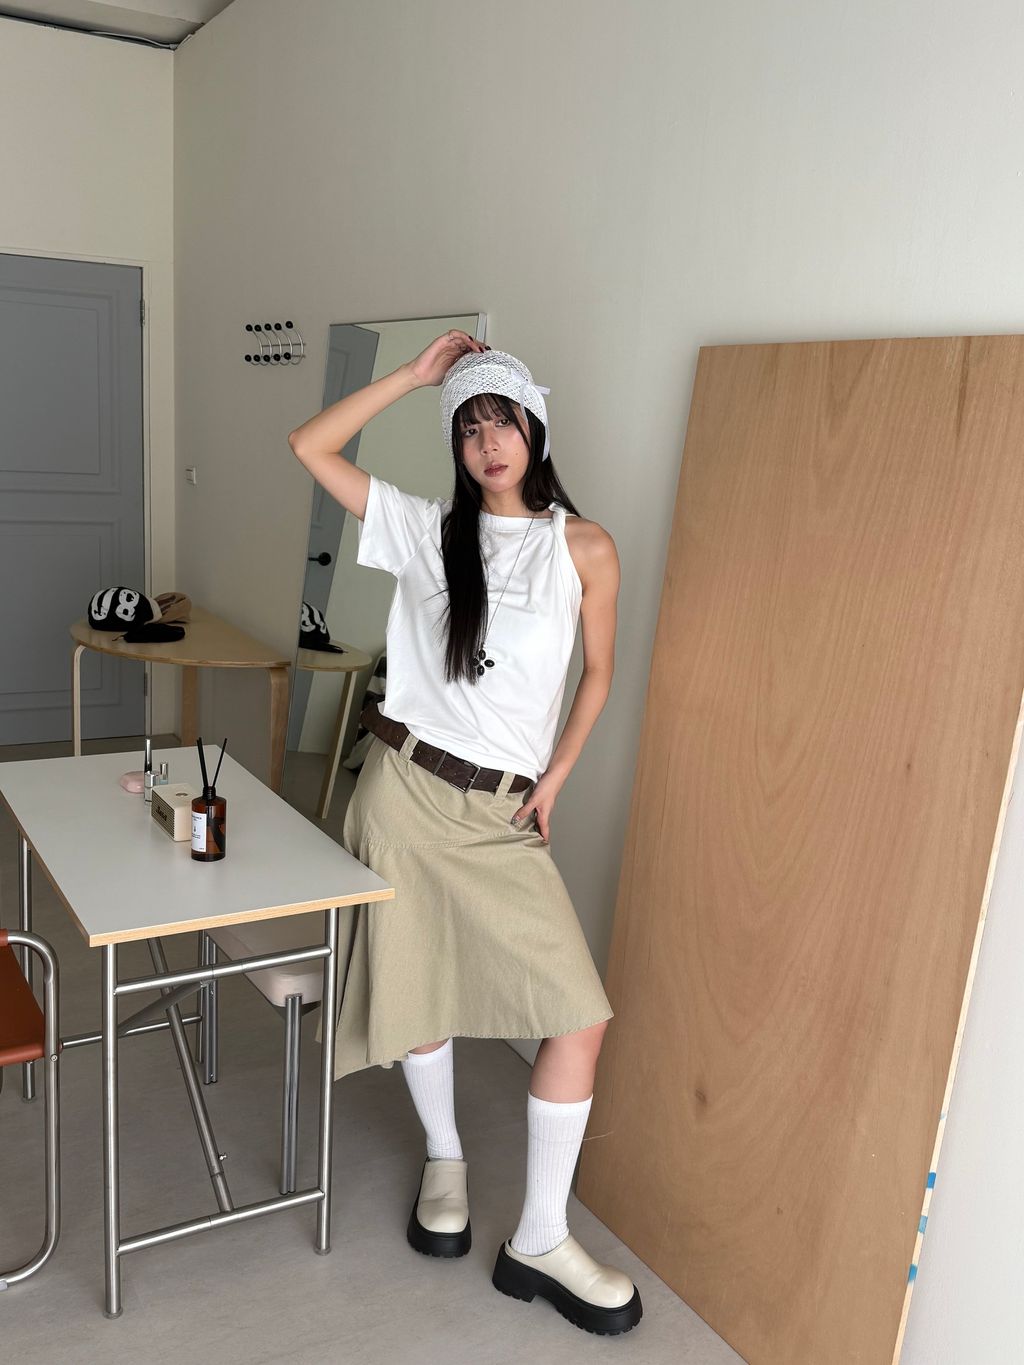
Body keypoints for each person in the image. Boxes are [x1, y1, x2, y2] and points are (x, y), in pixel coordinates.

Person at [288, 329, 642, 1336]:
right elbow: (310, 448)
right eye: (469, 427)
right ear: (455, 443)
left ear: (536, 430)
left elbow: (599, 673)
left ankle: (540, 1237)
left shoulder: (584, 547)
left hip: (501, 812)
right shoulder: (421, 529)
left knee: (577, 1014)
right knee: (418, 984)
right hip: (402, 792)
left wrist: (557, 775)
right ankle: (443, 1156)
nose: (489, 443)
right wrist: (413, 377)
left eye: (504, 422)